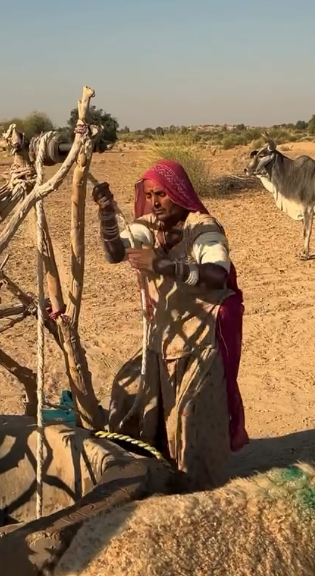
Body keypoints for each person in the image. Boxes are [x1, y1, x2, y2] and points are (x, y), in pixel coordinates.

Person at [93, 159, 249, 491]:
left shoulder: (202, 228)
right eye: (149, 195)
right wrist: (107, 214)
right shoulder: (147, 227)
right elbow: (114, 252)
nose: (155, 202)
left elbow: (217, 272)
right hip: (162, 338)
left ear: (179, 193)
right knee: (128, 392)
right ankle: (147, 476)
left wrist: (165, 266)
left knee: (191, 416)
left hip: (200, 339)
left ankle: (199, 488)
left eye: (161, 194)